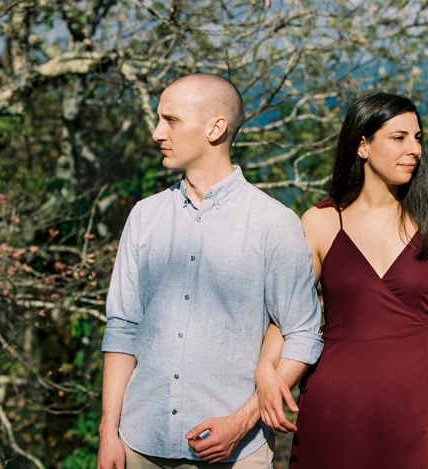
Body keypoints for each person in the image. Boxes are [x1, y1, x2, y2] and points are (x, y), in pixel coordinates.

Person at [97, 73, 324, 469]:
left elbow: (303, 333)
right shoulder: (144, 216)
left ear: (215, 127)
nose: (156, 132)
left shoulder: (274, 223)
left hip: (237, 453)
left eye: (170, 120)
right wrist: (108, 433)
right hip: (138, 443)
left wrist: (240, 424)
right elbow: (122, 326)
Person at [254, 92, 428, 469]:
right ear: (362, 145)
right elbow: (290, 313)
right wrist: (264, 367)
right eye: (398, 137)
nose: (414, 149)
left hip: (419, 401)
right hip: (337, 401)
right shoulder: (320, 222)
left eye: (417, 138)